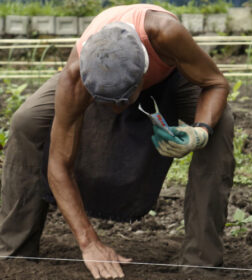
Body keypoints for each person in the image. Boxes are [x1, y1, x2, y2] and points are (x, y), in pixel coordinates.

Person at [0, 3, 235, 279]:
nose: (115, 110)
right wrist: (89, 243)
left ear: (141, 80)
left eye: (121, 102)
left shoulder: (166, 34)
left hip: (170, 74)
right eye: (105, 103)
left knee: (222, 123)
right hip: (98, 79)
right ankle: (14, 251)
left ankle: (201, 262)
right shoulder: (76, 76)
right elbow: (59, 163)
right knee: (26, 121)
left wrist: (200, 132)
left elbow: (216, 83)